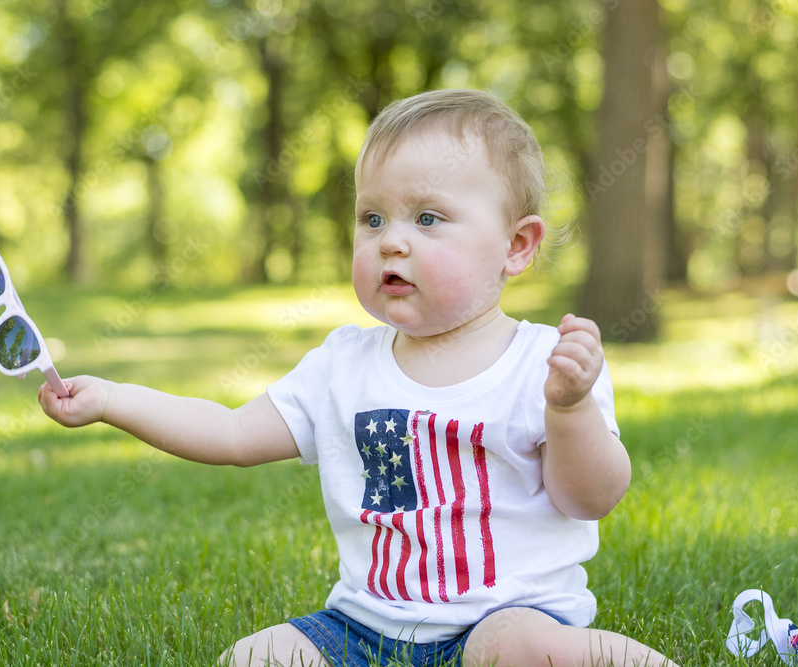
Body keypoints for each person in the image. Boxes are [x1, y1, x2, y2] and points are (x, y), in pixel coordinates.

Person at [39, 89, 679, 667]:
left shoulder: (548, 365)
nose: (391, 242)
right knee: (256, 657)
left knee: (513, 649)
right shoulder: (341, 367)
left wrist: (569, 413)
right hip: (365, 630)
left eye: (427, 218)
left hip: (507, 621)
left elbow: (590, 498)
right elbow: (233, 433)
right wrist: (113, 400)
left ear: (516, 245)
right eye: (372, 219)